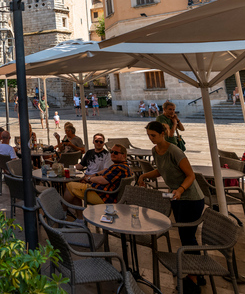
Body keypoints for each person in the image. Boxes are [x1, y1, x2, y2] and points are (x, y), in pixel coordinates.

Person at [137, 121, 204, 293]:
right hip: (177, 198)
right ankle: (197, 272)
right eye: (148, 135)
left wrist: (180, 189)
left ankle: (193, 279)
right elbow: (160, 170)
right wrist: (144, 175)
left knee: (188, 237)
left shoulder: (174, 150)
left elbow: (190, 175)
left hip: (191, 198)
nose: (151, 138)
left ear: (162, 134)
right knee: (185, 236)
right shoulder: (155, 151)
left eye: (153, 135)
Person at [64, 144, 132, 208]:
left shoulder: (119, 168)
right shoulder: (124, 166)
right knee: (76, 189)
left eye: (116, 153)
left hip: (104, 196)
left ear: (124, 155)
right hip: (105, 193)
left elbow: (103, 180)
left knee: (69, 185)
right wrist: (90, 178)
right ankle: (79, 217)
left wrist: (89, 179)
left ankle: (63, 211)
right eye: (111, 152)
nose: (112, 154)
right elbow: (104, 177)